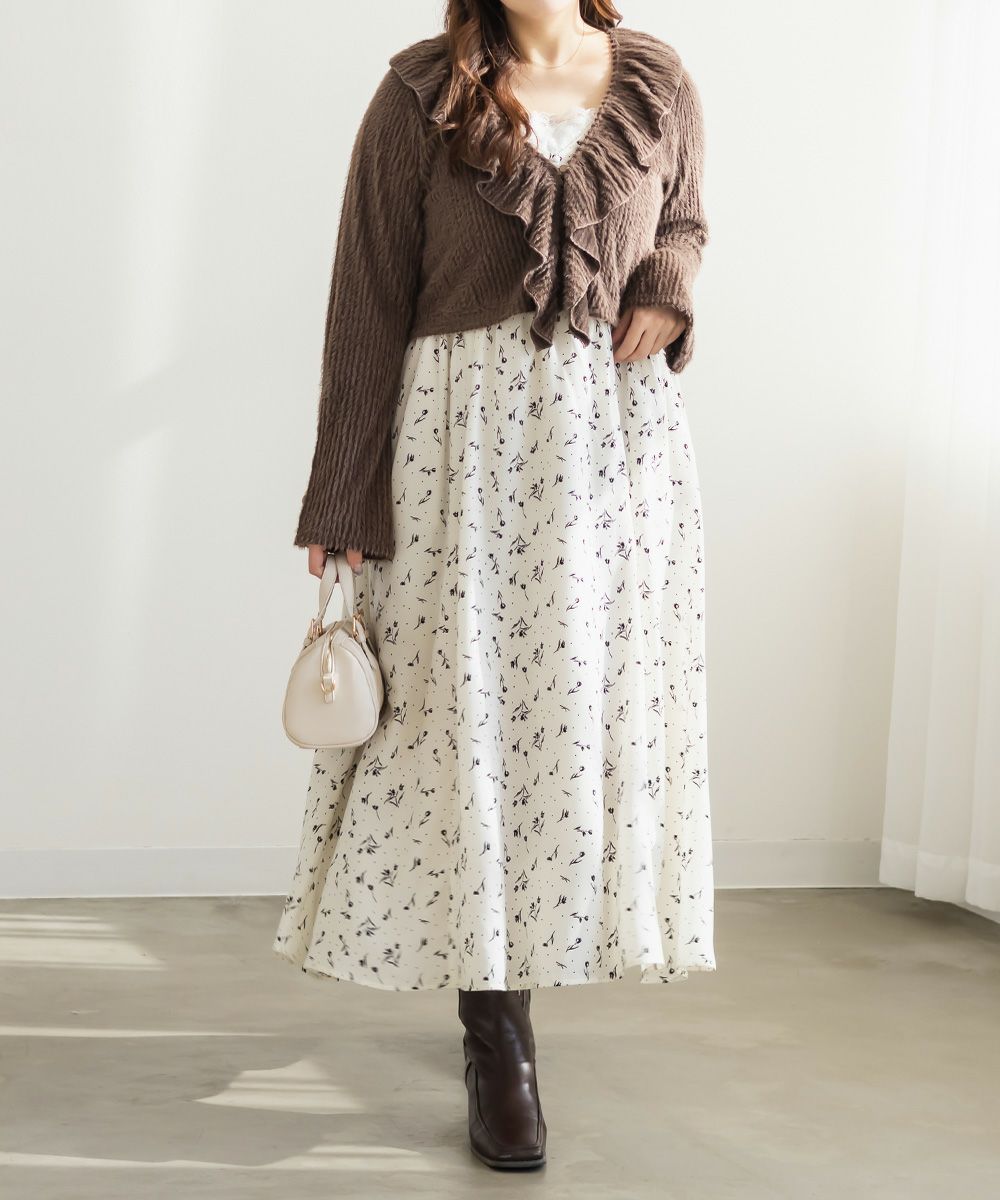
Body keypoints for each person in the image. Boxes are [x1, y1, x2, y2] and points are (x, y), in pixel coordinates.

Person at [273, 0, 716, 1171]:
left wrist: (667, 281)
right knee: (460, 727)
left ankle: (527, 982)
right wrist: (342, 494)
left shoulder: (658, 80)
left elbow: (682, 217)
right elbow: (367, 295)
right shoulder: (417, 94)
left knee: (571, 730)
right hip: (456, 454)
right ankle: (495, 1033)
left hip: (613, 454)